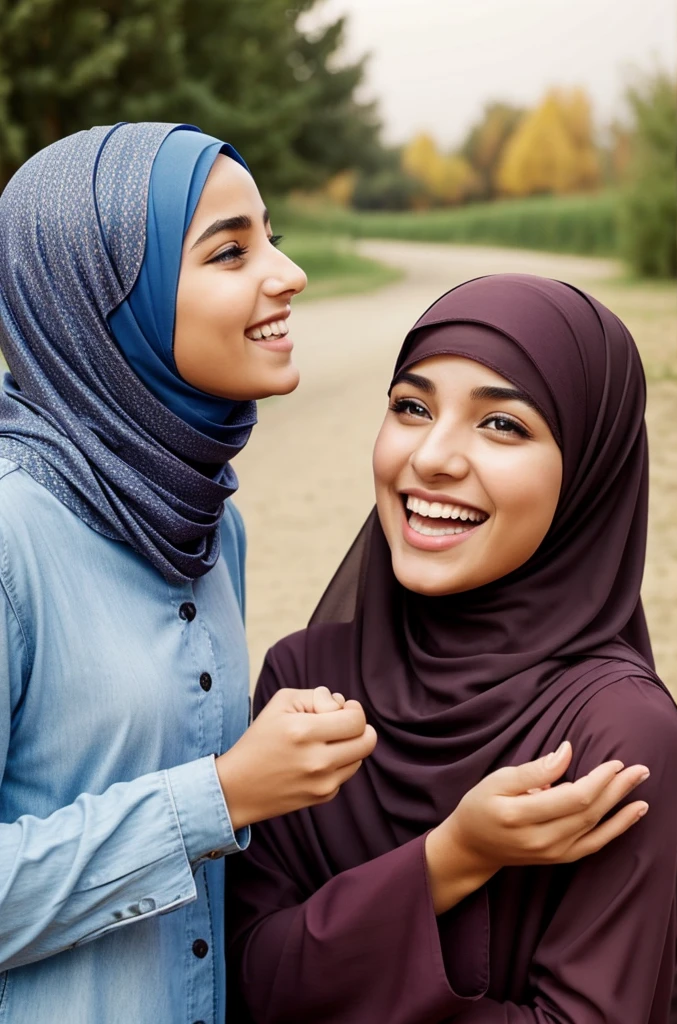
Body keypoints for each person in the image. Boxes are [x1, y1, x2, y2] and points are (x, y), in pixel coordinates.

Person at [0, 121, 379, 1024]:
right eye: (230, 251)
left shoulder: (212, 524)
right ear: (104, 302)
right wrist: (223, 794)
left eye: (272, 237)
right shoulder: (13, 534)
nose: (286, 274)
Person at [228, 274, 677, 1023]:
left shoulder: (617, 736)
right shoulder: (306, 679)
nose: (433, 457)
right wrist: (451, 858)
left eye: (502, 424)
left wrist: (330, 958)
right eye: (411, 407)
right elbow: (241, 978)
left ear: (590, 475)